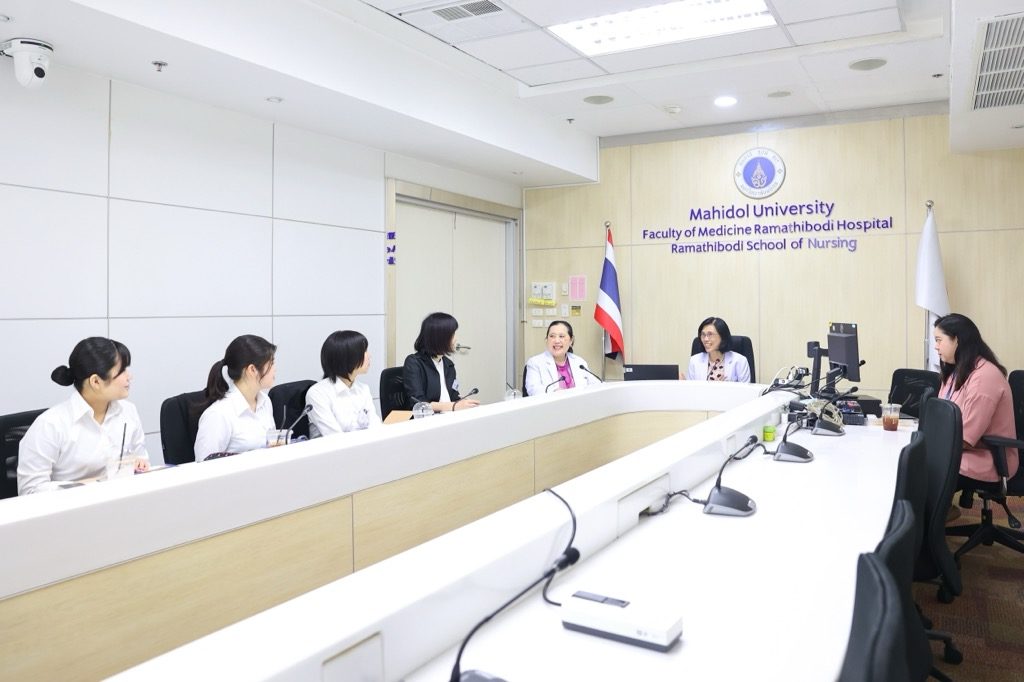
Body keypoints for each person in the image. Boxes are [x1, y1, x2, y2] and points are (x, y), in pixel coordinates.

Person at [18, 337, 149, 494]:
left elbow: (140, 458)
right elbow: (30, 491)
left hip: (122, 502)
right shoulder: (50, 425)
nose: (129, 376)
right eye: (121, 371)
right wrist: (91, 487)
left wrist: (140, 465)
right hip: (69, 508)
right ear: (96, 382)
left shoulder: (128, 411)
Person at [934, 313, 1018, 483]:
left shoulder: (984, 377)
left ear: (957, 340)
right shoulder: (955, 373)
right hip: (958, 450)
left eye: (939, 340)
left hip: (989, 459)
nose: (936, 347)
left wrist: (927, 442)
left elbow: (965, 439)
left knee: (919, 465)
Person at [194, 334, 278, 461]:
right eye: (271, 363)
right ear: (252, 370)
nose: (275, 369)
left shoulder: (265, 401)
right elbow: (203, 466)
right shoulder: (218, 415)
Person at [306, 330, 381, 437]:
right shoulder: (318, 393)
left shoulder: (363, 389)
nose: (369, 356)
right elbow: (334, 437)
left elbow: (376, 427)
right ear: (348, 357)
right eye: (364, 351)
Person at [403, 312, 479, 412]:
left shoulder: (448, 364)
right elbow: (419, 403)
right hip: (429, 419)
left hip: (449, 416)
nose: (455, 339)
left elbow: (453, 395)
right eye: (452, 335)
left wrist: (462, 402)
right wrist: (453, 406)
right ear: (440, 338)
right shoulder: (414, 363)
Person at [524, 320, 601, 396]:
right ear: (547, 340)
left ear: (571, 340)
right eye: (552, 336)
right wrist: (554, 392)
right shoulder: (535, 362)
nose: (557, 341)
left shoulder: (579, 362)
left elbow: (596, 385)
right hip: (552, 403)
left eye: (561, 336)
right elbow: (533, 389)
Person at [684, 317, 751, 382]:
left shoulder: (740, 361)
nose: (705, 339)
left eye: (710, 334)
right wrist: (682, 383)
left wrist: (727, 387)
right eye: (703, 334)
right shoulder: (694, 361)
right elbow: (691, 388)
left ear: (722, 336)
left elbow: (745, 389)